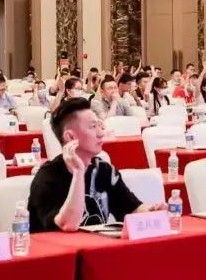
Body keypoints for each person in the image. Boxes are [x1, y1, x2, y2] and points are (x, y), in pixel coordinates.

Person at [27, 98, 165, 231]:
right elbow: (67, 225)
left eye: (99, 126)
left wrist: (152, 211)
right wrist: (79, 172)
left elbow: (131, 209)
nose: (101, 133)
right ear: (70, 137)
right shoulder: (47, 177)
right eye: (93, 127)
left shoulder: (103, 170)